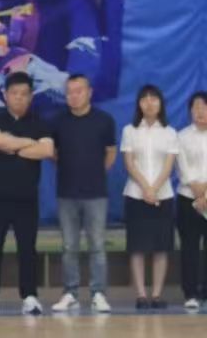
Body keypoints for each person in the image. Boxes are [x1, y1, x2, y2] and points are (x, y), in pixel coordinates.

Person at [0, 72, 54, 316]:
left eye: (24, 94)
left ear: (31, 97)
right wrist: (29, 143)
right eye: (14, 93)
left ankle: (29, 296)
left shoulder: (40, 122)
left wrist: (14, 143)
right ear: (5, 95)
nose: (19, 98)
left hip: (26, 198)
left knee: (27, 249)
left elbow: (46, 150)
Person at [49, 75, 117, 313]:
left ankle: (98, 293)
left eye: (78, 91)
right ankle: (71, 293)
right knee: (69, 246)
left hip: (96, 193)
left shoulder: (104, 120)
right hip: (66, 192)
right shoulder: (58, 121)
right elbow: (52, 153)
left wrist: (95, 172)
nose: (74, 96)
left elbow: (111, 152)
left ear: (89, 92)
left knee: (97, 245)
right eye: (69, 92)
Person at [122, 84, 178, 310]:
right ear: (139, 104)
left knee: (160, 247)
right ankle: (141, 295)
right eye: (144, 99)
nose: (149, 103)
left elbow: (168, 166)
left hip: (163, 195)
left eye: (154, 98)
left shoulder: (170, 132)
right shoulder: (129, 130)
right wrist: (146, 188)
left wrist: (154, 189)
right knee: (137, 247)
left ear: (161, 103)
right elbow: (129, 163)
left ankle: (156, 295)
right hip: (135, 195)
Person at [175, 91, 207, 311]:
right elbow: (181, 166)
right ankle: (191, 293)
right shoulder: (181, 136)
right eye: (196, 107)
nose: (200, 111)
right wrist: (197, 190)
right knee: (189, 247)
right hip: (188, 197)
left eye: (204, 107)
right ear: (190, 112)